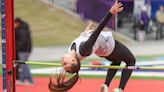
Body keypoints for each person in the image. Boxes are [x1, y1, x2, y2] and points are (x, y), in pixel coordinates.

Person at [49, 2, 136, 92]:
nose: (62, 62)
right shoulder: (83, 50)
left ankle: (106, 85)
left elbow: (81, 40)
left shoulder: (71, 50)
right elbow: (98, 31)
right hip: (108, 45)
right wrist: (110, 13)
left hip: (102, 49)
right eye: (65, 64)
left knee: (116, 61)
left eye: (63, 64)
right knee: (131, 61)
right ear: (73, 60)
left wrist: (84, 33)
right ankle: (120, 89)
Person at [15, 17, 34, 85]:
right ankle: (24, 79)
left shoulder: (22, 30)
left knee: (23, 65)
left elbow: (22, 42)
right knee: (23, 64)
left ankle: (28, 80)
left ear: (18, 23)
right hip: (24, 50)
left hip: (24, 50)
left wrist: (17, 48)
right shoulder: (22, 29)